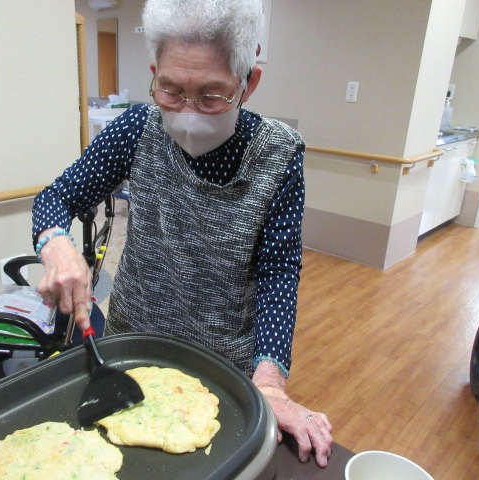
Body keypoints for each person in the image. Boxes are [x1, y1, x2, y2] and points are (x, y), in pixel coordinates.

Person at [32, 0, 333, 467]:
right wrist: (56, 243)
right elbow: (55, 198)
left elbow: (279, 271)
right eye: (170, 90)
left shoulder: (278, 156)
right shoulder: (137, 127)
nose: (188, 113)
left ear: (248, 82)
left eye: (211, 95)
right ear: (154, 72)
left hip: (223, 363)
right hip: (130, 346)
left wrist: (269, 382)